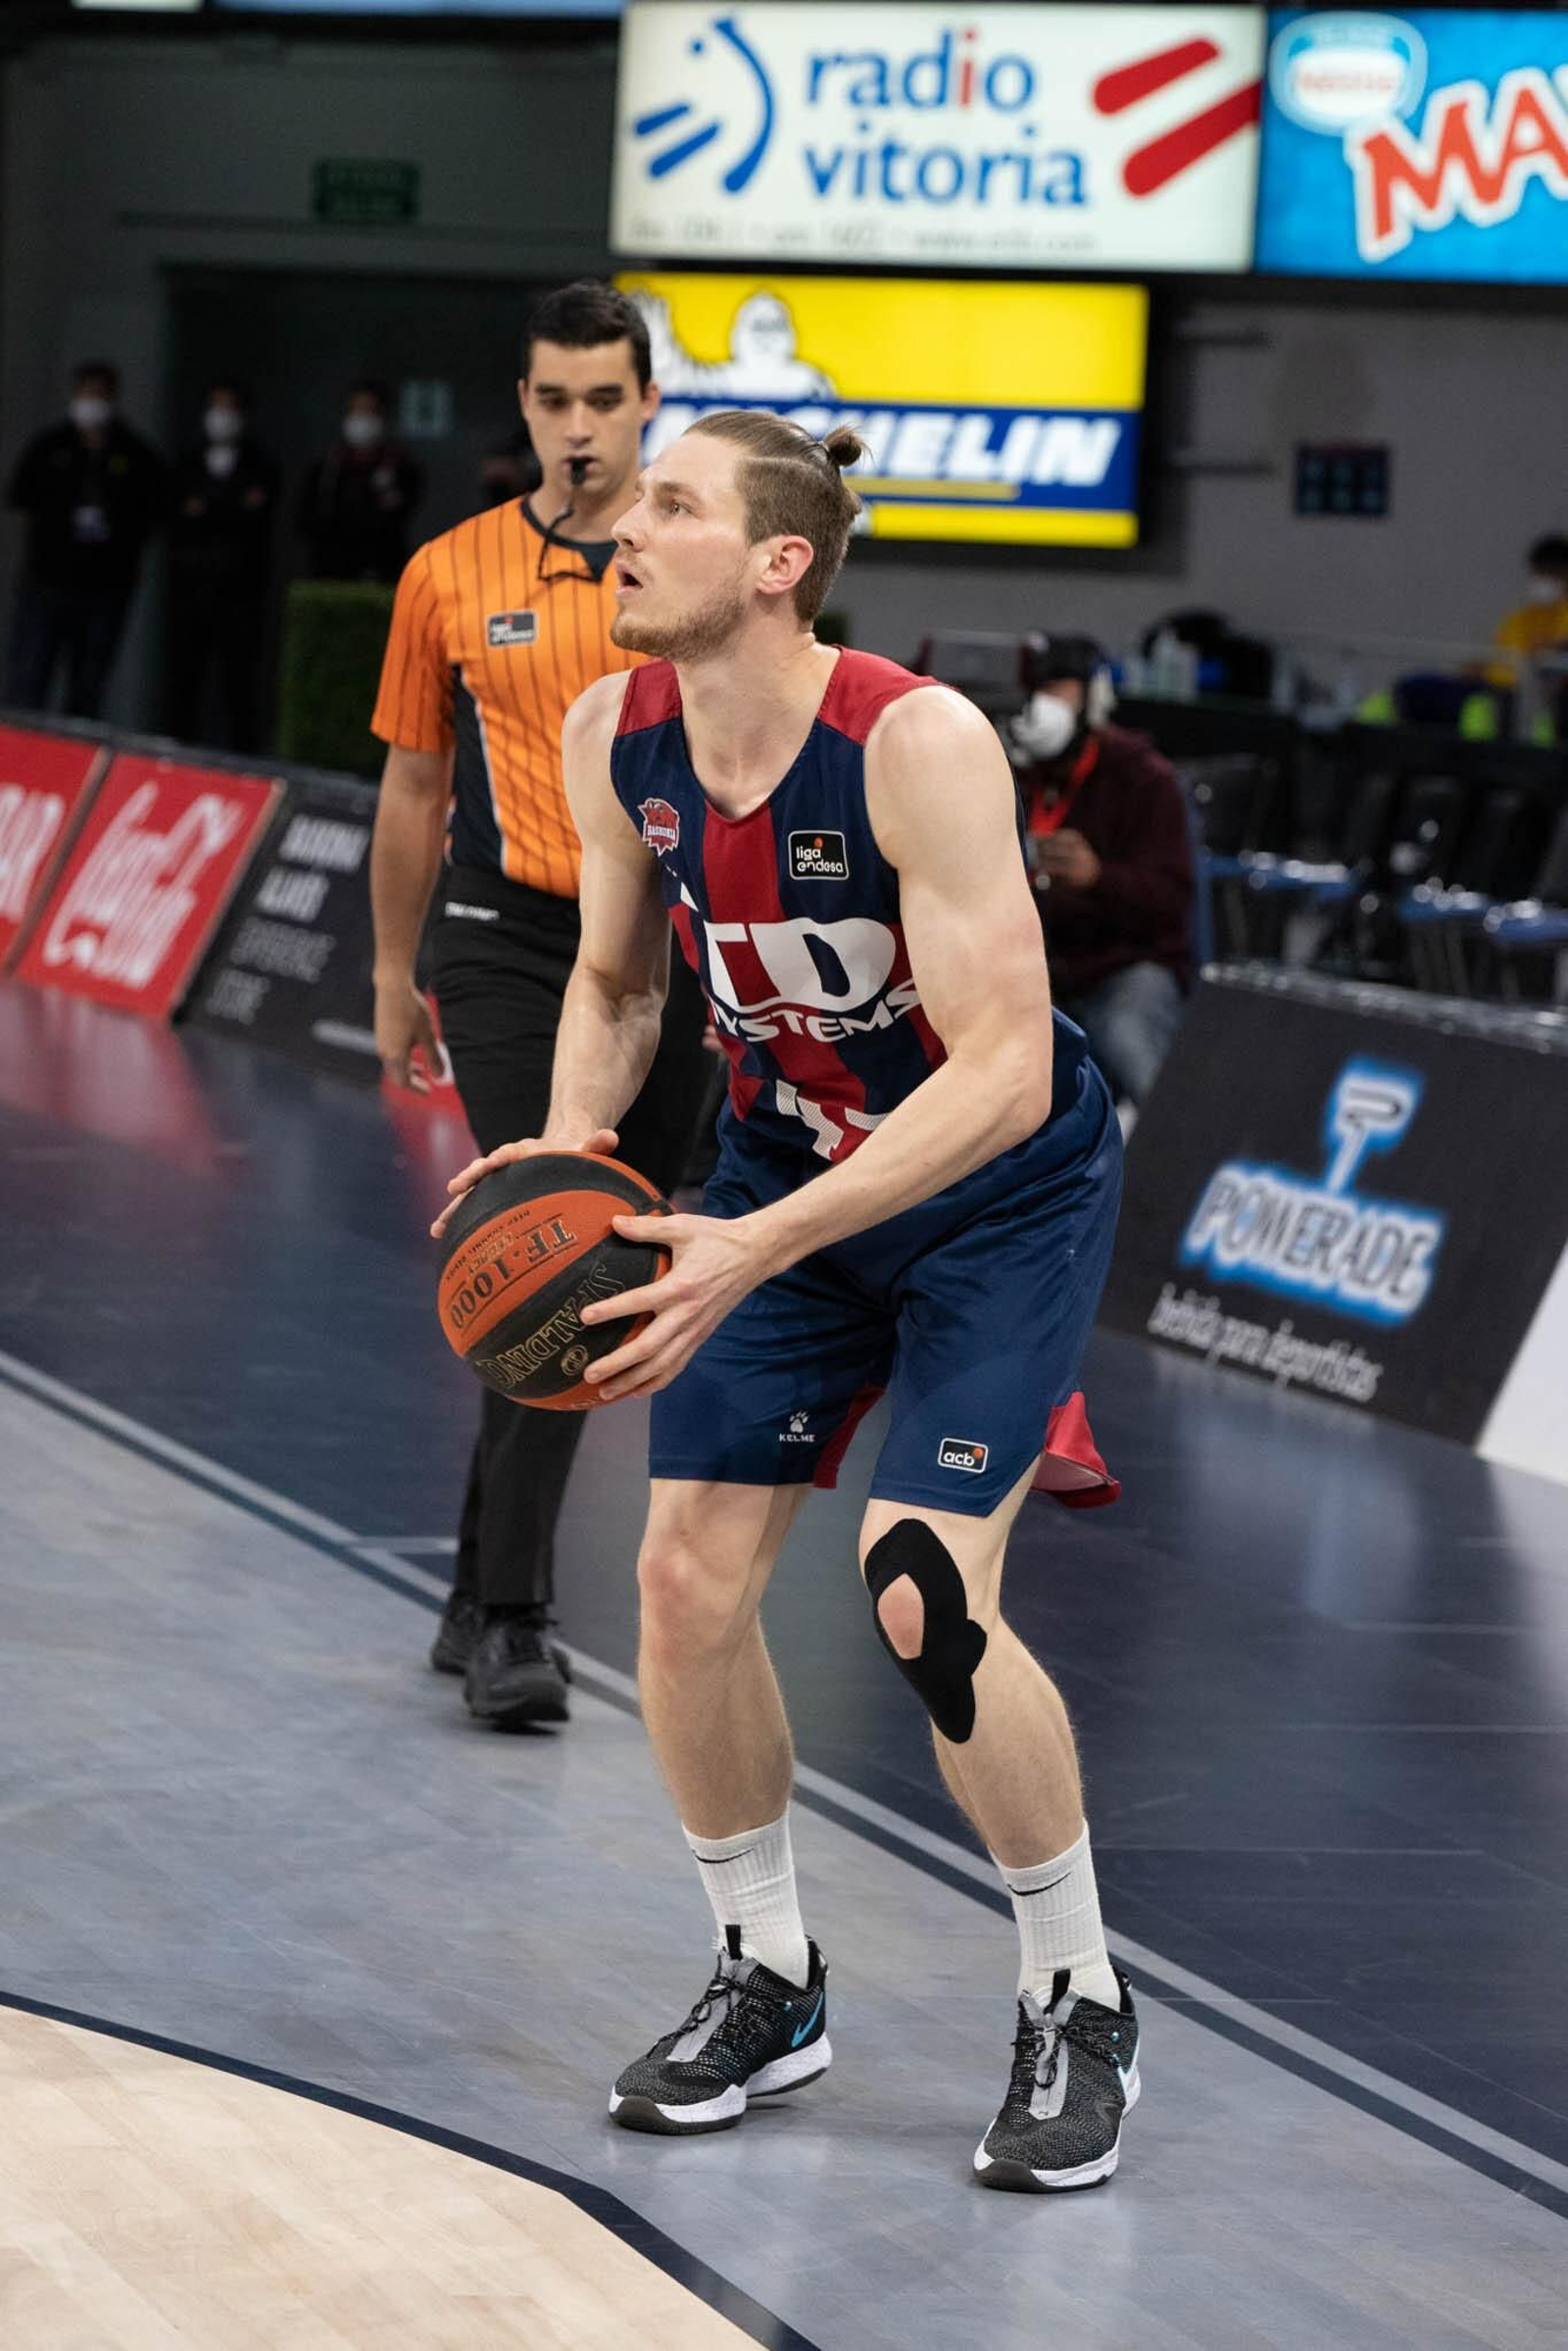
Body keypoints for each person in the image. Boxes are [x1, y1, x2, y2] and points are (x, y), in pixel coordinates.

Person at [435, 410, 1139, 2193]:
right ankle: (770, 1971)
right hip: (784, 1162)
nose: (622, 520)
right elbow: (617, 982)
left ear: (778, 563)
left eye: (671, 501)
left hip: (997, 1188)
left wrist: (757, 1241)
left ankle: (1078, 1990)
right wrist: (568, 1152)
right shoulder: (614, 732)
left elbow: (1002, 1074)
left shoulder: (914, 742)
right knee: (680, 1579)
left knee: (919, 1588)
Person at [369, 281, 709, 1732]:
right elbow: (411, 787)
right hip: (506, 940)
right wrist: (391, 972)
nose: (579, 427)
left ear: (646, 402)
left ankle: (470, 1589)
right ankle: (516, 1615)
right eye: (554, 400)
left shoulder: (692, 562)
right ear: (524, 406)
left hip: (662, 950)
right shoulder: (445, 572)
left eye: (604, 400)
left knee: (597, 1266)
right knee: (560, 1241)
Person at [1010, 633, 1194, 1110]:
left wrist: (1098, 878)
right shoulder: (1007, 771)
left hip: (1126, 963)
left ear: (1095, 696)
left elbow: (1172, 901)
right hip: (1036, 968)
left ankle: (1172, 1143)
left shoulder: (1143, 777)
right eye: (1035, 690)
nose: (1043, 704)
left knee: (1125, 1033)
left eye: (1058, 689)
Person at [5, 361, 165, 719]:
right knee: (31, 673)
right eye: (85, 393)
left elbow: (152, 515)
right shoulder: (49, 447)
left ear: (113, 398)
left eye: (99, 394)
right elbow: (23, 503)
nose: (91, 402)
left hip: (104, 587)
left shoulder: (134, 454)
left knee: (88, 681)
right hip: (46, 582)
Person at [163, 379, 280, 753]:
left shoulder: (260, 464)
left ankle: (244, 757)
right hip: (191, 588)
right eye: (217, 406)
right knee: (185, 678)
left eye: (230, 408)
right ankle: (176, 753)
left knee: (239, 683)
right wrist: (233, 507)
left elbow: (256, 522)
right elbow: (175, 518)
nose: (222, 416)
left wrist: (208, 510)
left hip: (240, 592)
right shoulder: (187, 462)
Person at [300, 381, 422, 584]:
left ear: (382, 416)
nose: (362, 419)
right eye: (356, 411)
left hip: (381, 568)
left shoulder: (401, 467)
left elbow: (401, 512)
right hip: (331, 568)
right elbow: (307, 516)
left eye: (369, 411)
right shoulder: (327, 469)